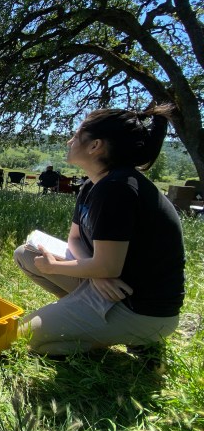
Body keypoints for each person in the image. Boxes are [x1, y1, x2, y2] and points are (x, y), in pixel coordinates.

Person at [14, 105, 185, 361]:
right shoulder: (94, 185)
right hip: (112, 284)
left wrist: (55, 268)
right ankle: (88, 316)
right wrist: (96, 275)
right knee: (25, 254)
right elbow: (75, 238)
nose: (69, 140)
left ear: (95, 146)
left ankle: (133, 338)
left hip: (139, 308)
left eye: (76, 135)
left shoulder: (118, 188)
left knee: (22, 337)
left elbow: (107, 266)